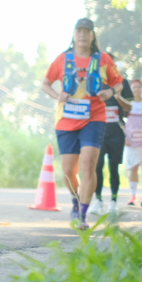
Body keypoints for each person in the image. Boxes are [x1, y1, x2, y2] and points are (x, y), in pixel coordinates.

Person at [40, 17, 123, 230]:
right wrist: (57, 96)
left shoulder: (103, 59)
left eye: (87, 31)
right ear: (74, 34)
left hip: (94, 118)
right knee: (69, 170)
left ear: (93, 35)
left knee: (88, 165)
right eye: (79, 31)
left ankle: (83, 215)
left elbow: (118, 83)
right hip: (66, 120)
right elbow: (45, 83)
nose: (83, 35)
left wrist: (109, 92)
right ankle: (75, 200)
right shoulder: (63, 58)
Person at [92, 78, 129, 215]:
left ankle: (113, 201)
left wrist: (119, 98)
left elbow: (130, 108)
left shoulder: (121, 84)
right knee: (97, 167)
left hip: (116, 135)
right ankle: (98, 200)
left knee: (114, 168)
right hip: (99, 134)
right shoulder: (94, 83)